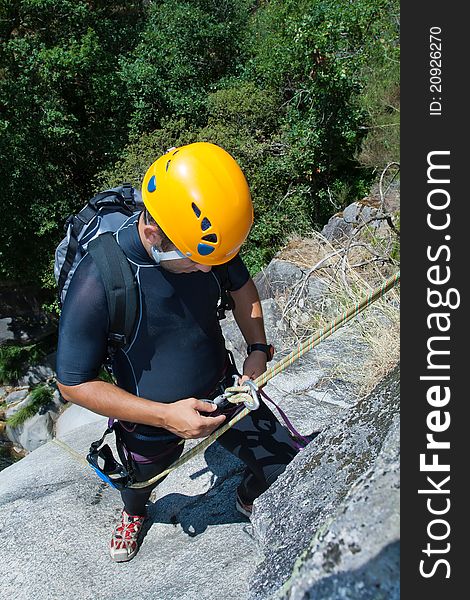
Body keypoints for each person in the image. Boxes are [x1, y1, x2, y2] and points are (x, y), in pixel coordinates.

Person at [56, 142, 299, 563]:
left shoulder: (203, 241)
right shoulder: (100, 278)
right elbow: (73, 382)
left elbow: (241, 287)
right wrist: (166, 416)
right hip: (148, 417)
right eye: (195, 260)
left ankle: (248, 494)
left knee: (287, 469)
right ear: (153, 233)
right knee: (138, 484)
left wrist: (257, 349)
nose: (208, 270)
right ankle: (134, 513)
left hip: (225, 390)